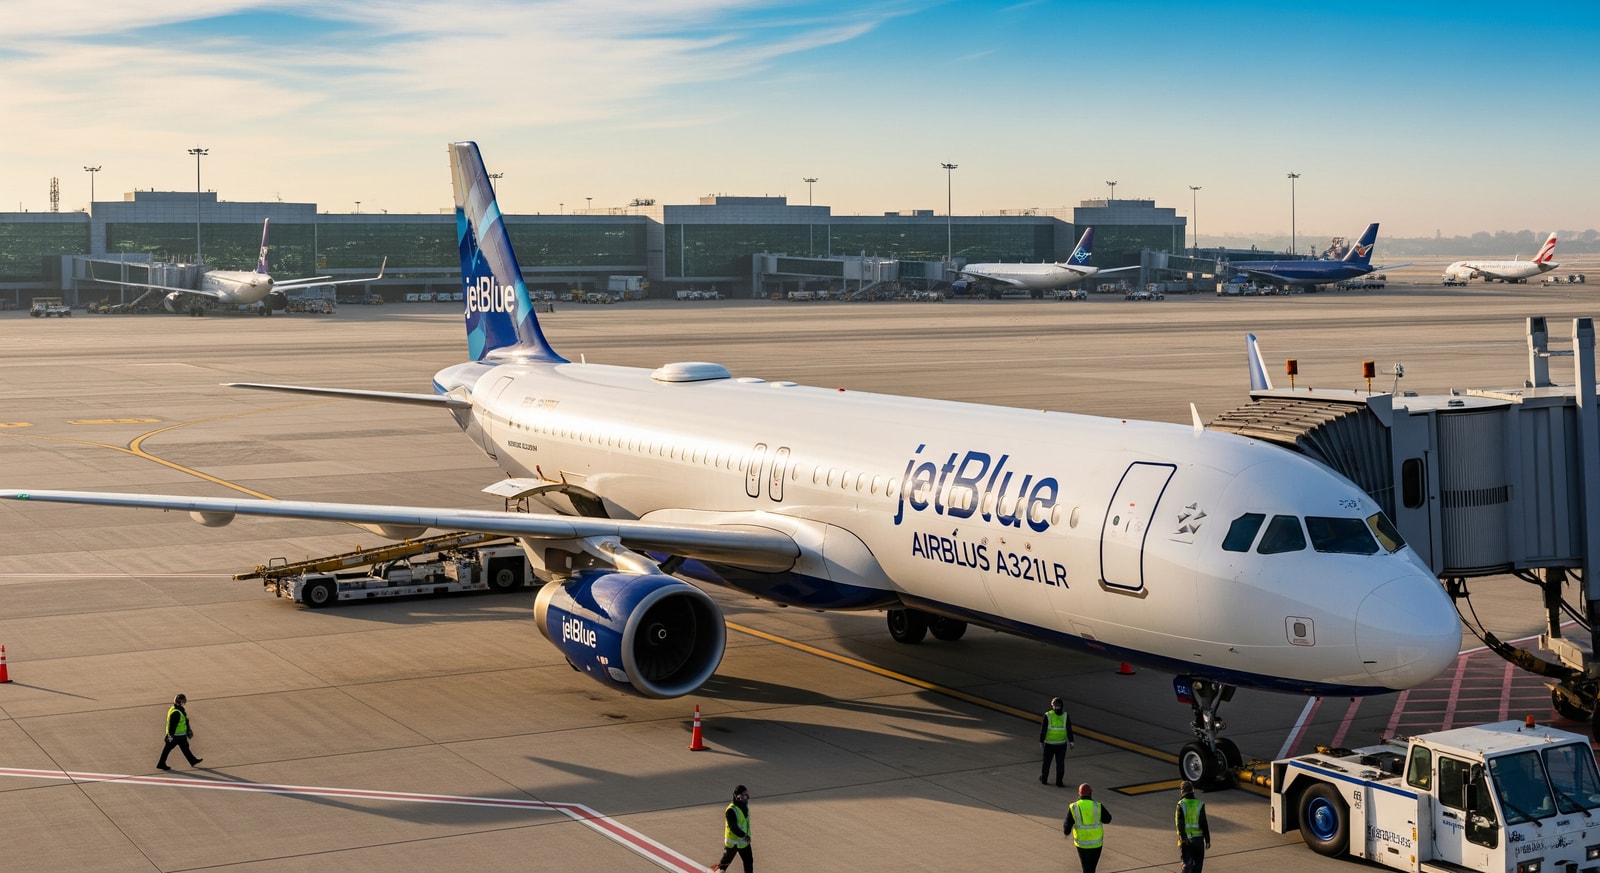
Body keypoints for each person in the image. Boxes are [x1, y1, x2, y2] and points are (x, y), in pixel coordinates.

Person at [1064, 783, 1111, 873]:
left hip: (1082, 843)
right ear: (1091, 793)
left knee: (1086, 868)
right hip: (1096, 843)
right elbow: (1108, 819)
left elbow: (1067, 823)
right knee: (1092, 868)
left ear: (1079, 793)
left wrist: (1066, 831)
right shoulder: (1097, 806)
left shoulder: (1074, 807)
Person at [710, 784, 752, 873]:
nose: (747, 797)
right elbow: (733, 827)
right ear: (738, 796)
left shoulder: (745, 807)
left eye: (747, 794)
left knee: (748, 862)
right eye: (744, 795)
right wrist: (744, 835)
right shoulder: (731, 810)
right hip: (733, 843)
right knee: (724, 865)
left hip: (743, 843)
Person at [156, 693, 202, 770]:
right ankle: (161, 763)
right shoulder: (176, 712)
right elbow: (172, 726)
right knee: (167, 750)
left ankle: (192, 760)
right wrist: (170, 736)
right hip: (176, 736)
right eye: (184, 701)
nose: (185, 702)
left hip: (180, 735)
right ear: (181, 702)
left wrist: (188, 730)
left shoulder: (175, 709)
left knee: (185, 748)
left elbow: (185, 721)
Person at [1039, 696, 1075, 786]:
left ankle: (1044, 779)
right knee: (1060, 764)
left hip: (1049, 744)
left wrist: (1041, 740)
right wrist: (1071, 741)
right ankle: (1059, 782)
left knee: (1046, 763)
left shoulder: (1048, 715)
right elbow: (1069, 729)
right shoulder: (1065, 716)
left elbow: (1043, 729)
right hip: (1061, 744)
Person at [1176, 780, 1210, 873]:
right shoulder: (1199, 804)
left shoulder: (1181, 804)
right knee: (1197, 867)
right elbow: (1204, 822)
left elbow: (1180, 823)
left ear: (1182, 791)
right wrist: (1207, 839)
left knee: (1186, 867)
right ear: (1193, 790)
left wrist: (1183, 837)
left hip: (1187, 840)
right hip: (1199, 840)